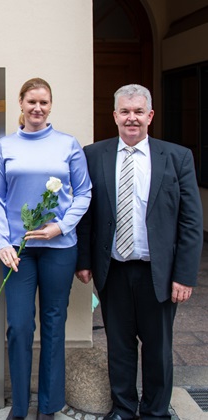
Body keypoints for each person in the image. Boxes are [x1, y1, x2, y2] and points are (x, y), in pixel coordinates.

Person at [76, 84, 203, 420]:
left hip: (157, 271)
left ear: (150, 116)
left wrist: (184, 275)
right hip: (113, 269)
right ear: (115, 115)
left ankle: (156, 412)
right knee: (119, 346)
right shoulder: (93, 155)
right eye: (125, 111)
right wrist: (85, 262)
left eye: (138, 112)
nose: (131, 118)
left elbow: (191, 222)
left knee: (158, 348)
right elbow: (87, 215)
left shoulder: (176, 157)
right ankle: (123, 407)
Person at [0, 78, 92, 420]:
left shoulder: (68, 145)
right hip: (19, 250)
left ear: (51, 105)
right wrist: (4, 242)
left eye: (44, 102)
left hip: (60, 248)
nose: (37, 108)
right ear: (21, 103)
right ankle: (19, 407)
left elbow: (84, 193)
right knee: (19, 326)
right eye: (31, 101)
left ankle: (49, 406)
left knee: (53, 322)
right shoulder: (5, 146)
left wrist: (61, 227)